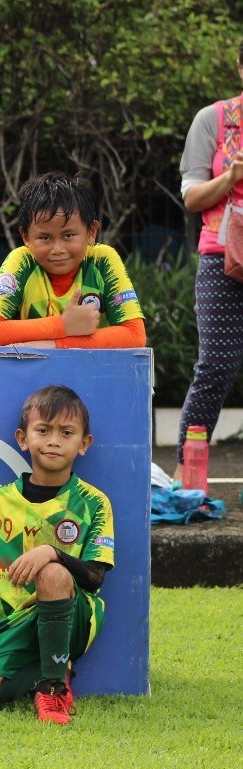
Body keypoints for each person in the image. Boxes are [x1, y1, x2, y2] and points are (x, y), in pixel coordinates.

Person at [0, 385, 114, 725]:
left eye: (67, 433)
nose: (54, 440)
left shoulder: (93, 502)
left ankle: (53, 688)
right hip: (15, 622)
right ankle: (53, 668)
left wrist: (51, 553)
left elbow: (95, 576)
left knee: (53, 573)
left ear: (84, 444)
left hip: (73, 616)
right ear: (23, 439)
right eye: (43, 430)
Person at [0, 172, 146, 349]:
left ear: (91, 232)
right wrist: (63, 325)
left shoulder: (103, 261)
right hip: (30, 367)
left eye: (68, 235)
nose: (58, 249)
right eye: (45, 238)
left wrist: (54, 345)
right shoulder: (22, 261)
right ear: (26, 237)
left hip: (90, 367)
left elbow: (135, 335)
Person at [173, 43, 243, 479]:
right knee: (215, 366)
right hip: (222, 258)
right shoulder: (213, 120)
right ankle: (186, 471)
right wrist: (231, 177)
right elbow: (192, 196)